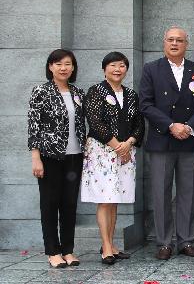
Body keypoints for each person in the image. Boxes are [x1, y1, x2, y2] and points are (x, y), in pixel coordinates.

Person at [140, 27, 194, 260]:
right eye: (170, 40)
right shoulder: (152, 69)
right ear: (164, 43)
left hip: (188, 140)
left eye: (179, 40)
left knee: (188, 193)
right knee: (161, 193)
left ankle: (186, 241)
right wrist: (171, 125)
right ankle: (163, 242)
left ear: (186, 44)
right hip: (162, 140)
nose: (174, 43)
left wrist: (189, 127)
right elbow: (146, 104)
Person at [82, 52, 145, 265]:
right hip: (102, 151)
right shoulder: (95, 91)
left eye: (121, 65)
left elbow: (139, 123)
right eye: (113, 65)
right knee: (105, 198)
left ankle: (112, 243)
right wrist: (117, 145)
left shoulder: (131, 94)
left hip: (126, 152)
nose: (117, 69)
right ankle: (106, 246)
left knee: (115, 198)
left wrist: (129, 143)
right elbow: (95, 121)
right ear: (104, 69)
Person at [28, 49, 86, 268]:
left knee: (70, 204)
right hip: (49, 156)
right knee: (50, 204)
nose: (64, 68)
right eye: (59, 64)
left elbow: (81, 124)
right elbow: (34, 127)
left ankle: (68, 250)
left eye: (68, 64)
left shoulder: (77, 92)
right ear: (50, 66)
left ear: (73, 67)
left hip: (75, 156)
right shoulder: (40, 92)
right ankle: (52, 252)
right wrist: (36, 158)